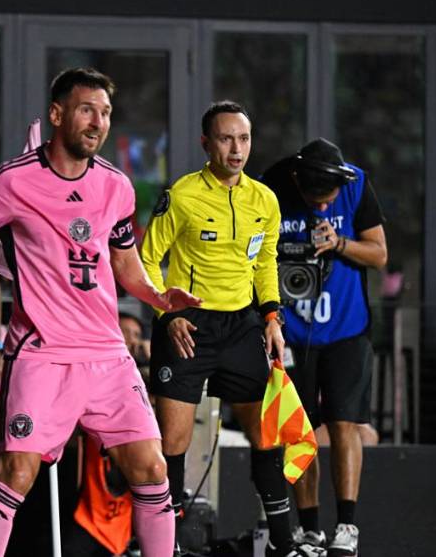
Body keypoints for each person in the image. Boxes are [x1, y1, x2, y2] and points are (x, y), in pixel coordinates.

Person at [0, 67, 200, 557]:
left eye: (105, 113)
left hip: (107, 354)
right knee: (16, 473)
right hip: (41, 354)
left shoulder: (117, 186)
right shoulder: (12, 180)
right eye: (87, 110)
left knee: (152, 469)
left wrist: (157, 296)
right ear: (57, 114)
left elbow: (124, 262)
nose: (98, 122)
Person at [141, 101, 319, 557]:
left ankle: (283, 543)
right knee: (173, 443)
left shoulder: (264, 200)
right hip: (188, 325)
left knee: (266, 437)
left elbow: (265, 263)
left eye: (243, 138)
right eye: (225, 139)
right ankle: (165, 546)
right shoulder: (182, 195)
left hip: (242, 326)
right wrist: (168, 314)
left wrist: (272, 317)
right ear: (206, 144)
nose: (236, 149)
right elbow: (146, 261)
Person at [261, 138, 387, 557]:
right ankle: (310, 530)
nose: (322, 205)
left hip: (347, 327)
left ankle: (346, 526)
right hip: (291, 332)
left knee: (344, 423)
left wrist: (340, 244)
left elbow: (379, 254)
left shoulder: (356, 184)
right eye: (315, 200)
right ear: (298, 182)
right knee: (297, 431)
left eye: (329, 199)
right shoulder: (272, 186)